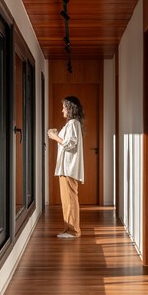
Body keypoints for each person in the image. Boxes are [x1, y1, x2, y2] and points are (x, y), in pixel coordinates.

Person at [47, 95, 85, 238]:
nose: (61, 110)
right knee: (67, 199)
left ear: (69, 109)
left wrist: (54, 136)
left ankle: (73, 231)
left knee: (70, 199)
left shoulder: (73, 123)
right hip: (66, 167)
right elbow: (67, 142)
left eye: (64, 107)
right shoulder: (71, 124)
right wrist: (57, 135)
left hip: (69, 167)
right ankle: (68, 228)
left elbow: (70, 144)